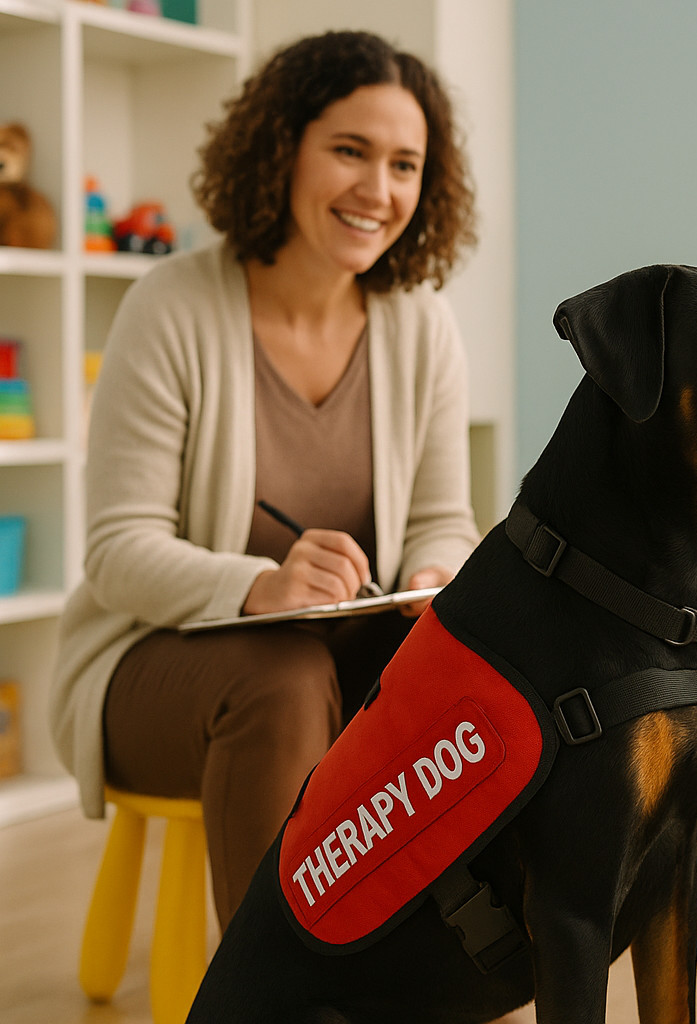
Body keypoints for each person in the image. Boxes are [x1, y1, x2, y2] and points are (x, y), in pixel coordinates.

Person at [48, 30, 482, 929]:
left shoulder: (423, 327)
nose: (379, 190)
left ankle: (446, 974)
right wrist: (260, 586)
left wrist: (437, 575)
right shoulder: (168, 307)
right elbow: (117, 551)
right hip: (156, 668)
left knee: (468, 668)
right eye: (350, 151)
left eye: (405, 164)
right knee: (281, 678)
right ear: (281, 146)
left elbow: (445, 518)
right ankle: (275, 992)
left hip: (343, 655)